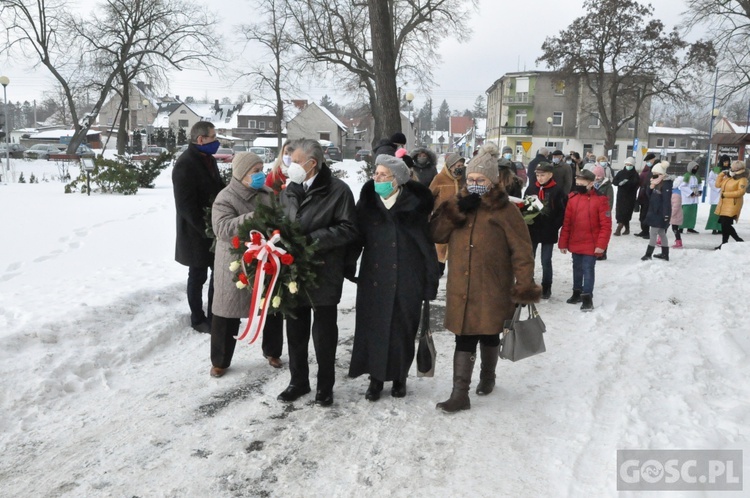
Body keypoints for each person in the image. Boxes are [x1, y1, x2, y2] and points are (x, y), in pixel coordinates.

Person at [430, 149, 541, 413]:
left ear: (492, 181)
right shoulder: (459, 204)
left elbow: (522, 251)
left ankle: (488, 376)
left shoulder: (507, 211)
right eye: (471, 179)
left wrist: (524, 285)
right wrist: (454, 210)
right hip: (461, 286)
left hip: (493, 286)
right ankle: (460, 394)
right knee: (464, 337)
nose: (474, 184)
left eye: (481, 180)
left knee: (489, 333)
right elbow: (436, 234)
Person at [348, 155, 439, 401]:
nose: (376, 178)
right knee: (374, 330)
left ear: (397, 180)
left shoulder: (415, 207)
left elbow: (426, 247)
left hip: (407, 278)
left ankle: (400, 377)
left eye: (382, 175)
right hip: (374, 278)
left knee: (402, 331)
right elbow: (357, 238)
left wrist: (430, 282)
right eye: (375, 174)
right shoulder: (368, 204)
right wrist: (347, 265)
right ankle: (376, 379)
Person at [277, 138, 358, 407]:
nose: (291, 166)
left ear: (312, 164)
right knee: (295, 331)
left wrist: (311, 241)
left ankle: (326, 386)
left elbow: (348, 228)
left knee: (324, 335)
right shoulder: (289, 190)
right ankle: (298, 381)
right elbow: (281, 222)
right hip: (293, 272)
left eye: (296, 161)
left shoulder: (338, 190)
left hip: (324, 271)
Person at [209, 153, 274, 377]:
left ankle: (273, 351)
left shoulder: (269, 194)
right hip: (235, 264)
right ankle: (220, 360)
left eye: (261, 169)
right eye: (255, 171)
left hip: (266, 259)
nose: (260, 175)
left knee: (271, 305)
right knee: (227, 311)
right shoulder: (225, 197)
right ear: (241, 173)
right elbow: (223, 229)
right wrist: (255, 216)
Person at [172, 121, 226, 333]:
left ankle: (215, 316)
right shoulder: (185, 164)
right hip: (196, 233)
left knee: (217, 273)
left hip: (214, 228)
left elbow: (218, 189)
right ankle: (197, 318)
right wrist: (206, 230)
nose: (216, 141)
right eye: (213, 137)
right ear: (201, 139)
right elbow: (185, 206)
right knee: (197, 275)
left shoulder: (208, 159)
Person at [558, 169, 611, 311]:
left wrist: (601, 245)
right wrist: (563, 242)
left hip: (592, 243)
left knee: (588, 269)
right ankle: (576, 292)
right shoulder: (573, 198)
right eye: (577, 182)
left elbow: (606, 225)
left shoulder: (601, 200)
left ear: (591, 183)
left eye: (582, 183)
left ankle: (587, 298)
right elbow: (567, 222)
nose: (579, 185)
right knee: (576, 268)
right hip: (576, 241)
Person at [261, 140, 292, 367]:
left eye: (293, 152)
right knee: (274, 297)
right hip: (275, 238)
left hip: (296, 240)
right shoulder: (272, 177)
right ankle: (272, 351)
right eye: (286, 152)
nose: (289, 156)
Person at [524, 162, 567, 299]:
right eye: (537, 175)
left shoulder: (557, 190)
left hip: (549, 230)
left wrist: (555, 225)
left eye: (543, 175)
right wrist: (527, 218)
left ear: (550, 175)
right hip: (534, 230)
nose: (540, 178)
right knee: (530, 258)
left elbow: (562, 211)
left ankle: (546, 286)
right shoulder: (531, 188)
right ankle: (528, 283)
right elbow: (524, 206)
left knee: (546, 260)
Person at [429, 152, 466, 276]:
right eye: (457, 165)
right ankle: (439, 269)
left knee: (458, 244)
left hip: (460, 217)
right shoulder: (439, 178)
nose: (460, 167)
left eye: (462, 165)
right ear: (450, 166)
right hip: (442, 218)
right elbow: (430, 196)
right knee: (441, 245)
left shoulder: (464, 179)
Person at [640, 161, 673, 261]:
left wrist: (666, 215)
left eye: (655, 174)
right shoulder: (655, 183)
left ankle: (648, 254)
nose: (653, 176)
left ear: (661, 174)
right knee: (662, 233)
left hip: (660, 213)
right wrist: (650, 188)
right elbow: (650, 196)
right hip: (654, 211)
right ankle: (665, 254)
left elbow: (666, 201)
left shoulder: (666, 184)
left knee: (653, 232)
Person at [714, 160, 748, 250]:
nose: (731, 168)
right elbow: (718, 185)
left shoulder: (742, 179)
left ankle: (726, 243)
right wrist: (721, 175)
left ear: (738, 168)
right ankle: (735, 241)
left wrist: (726, 195)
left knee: (726, 224)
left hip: (733, 204)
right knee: (725, 225)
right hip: (724, 204)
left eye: (733, 167)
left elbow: (741, 192)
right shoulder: (729, 177)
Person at [612, 156, 640, 236]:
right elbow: (614, 181)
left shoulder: (635, 174)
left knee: (626, 212)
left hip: (630, 196)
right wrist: (619, 182)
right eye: (627, 164)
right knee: (620, 212)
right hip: (621, 196)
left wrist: (627, 183)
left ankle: (619, 228)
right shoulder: (621, 173)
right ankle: (627, 229)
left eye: (630, 164)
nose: (628, 166)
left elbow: (636, 183)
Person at [705, 155, 731, 234]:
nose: (726, 163)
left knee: (723, 212)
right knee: (715, 212)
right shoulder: (715, 170)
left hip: (726, 194)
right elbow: (710, 180)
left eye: (727, 162)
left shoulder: (730, 170)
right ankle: (714, 227)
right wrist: (718, 187)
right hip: (716, 194)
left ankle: (721, 228)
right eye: (725, 161)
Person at [634, 153, 657, 238]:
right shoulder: (648, 170)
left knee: (648, 215)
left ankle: (649, 233)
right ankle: (644, 231)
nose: (647, 163)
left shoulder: (656, 170)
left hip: (650, 196)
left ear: (653, 160)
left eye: (648, 161)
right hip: (644, 195)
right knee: (643, 215)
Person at [679, 161, 703, 234]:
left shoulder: (697, 176)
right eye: (694, 167)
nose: (695, 169)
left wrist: (700, 191)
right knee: (685, 213)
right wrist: (690, 193)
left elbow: (699, 185)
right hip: (687, 199)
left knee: (693, 214)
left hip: (694, 199)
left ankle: (690, 227)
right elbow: (682, 186)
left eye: (696, 167)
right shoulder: (687, 176)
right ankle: (681, 227)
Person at [670, 175, 684, 249]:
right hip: (673, 215)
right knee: (667, 228)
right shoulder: (675, 192)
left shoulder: (676, 194)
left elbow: (675, 206)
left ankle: (678, 241)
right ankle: (678, 241)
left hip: (674, 216)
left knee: (674, 228)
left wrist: (671, 214)